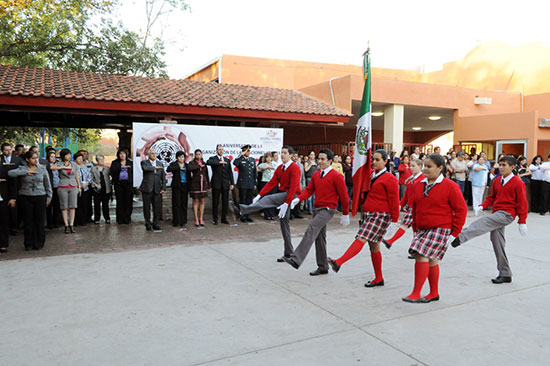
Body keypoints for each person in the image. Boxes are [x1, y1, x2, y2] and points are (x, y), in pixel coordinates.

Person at [327, 149, 399, 288]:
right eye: (373, 159)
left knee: (361, 237)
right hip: (368, 213)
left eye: (377, 160)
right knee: (373, 246)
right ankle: (379, 278)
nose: (374, 162)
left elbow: (394, 200)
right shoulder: (371, 174)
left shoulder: (390, 178)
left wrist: (394, 221)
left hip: (380, 215)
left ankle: (339, 262)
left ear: (385, 161)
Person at [451, 156, 528, 284]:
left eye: (504, 165)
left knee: (485, 221)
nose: (501, 167)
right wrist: (482, 205)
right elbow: (492, 197)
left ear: (513, 167)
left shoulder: (518, 182)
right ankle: (505, 273)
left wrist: (522, 221)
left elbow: (522, 203)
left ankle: (460, 236)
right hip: (497, 212)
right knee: (497, 242)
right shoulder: (497, 181)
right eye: (500, 165)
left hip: (507, 214)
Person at [402, 154, 467, 303]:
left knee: (420, 254)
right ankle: (433, 293)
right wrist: (415, 227)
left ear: (440, 168)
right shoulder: (419, 185)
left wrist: (455, 232)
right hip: (422, 227)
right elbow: (415, 207)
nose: (425, 169)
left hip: (440, 227)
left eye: (429, 167)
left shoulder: (450, 186)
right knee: (431, 259)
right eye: (424, 166)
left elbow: (461, 210)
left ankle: (416, 293)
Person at [283, 149, 350, 275]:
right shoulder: (316, 175)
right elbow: (309, 190)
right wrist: (298, 199)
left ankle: (296, 258)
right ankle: (323, 266)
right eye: (319, 159)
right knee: (320, 238)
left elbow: (344, 196)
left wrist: (345, 214)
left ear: (330, 161)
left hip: (328, 210)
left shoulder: (337, 176)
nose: (320, 161)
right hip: (317, 209)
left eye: (323, 159)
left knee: (311, 229)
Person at [233, 145, 301, 261]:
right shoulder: (280, 168)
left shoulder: (294, 167)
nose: (282, 155)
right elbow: (271, 183)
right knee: (284, 224)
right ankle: (289, 253)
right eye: (281, 152)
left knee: (268, 199)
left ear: (290, 155)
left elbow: (294, 187)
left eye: (285, 153)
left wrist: (286, 203)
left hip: (292, 195)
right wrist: (259, 195)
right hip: (284, 195)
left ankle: (242, 210)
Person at [8, 151, 52, 251]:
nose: (35, 160)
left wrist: (49, 197)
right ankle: (28, 243)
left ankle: (39, 243)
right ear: (27, 159)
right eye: (33, 158)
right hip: (26, 197)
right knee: (28, 221)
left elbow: (47, 184)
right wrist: (25, 172)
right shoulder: (22, 168)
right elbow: (10, 173)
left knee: (39, 221)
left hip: (40, 196)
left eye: (36, 158)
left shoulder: (42, 169)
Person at [382, 158, 425, 251]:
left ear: (420, 167)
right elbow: (406, 194)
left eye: (414, 166)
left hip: (418, 208)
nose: (411, 168)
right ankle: (415, 249)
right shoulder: (411, 179)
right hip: (411, 207)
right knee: (415, 229)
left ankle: (391, 241)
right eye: (410, 165)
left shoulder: (423, 179)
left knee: (405, 225)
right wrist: (401, 204)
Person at [50, 149, 80, 233]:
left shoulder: (74, 164)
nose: (69, 156)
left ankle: (71, 225)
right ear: (63, 156)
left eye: (70, 154)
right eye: (67, 155)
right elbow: (51, 167)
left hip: (73, 185)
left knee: (73, 206)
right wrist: (62, 167)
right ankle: (66, 225)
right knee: (64, 206)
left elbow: (76, 175)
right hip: (62, 185)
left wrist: (79, 186)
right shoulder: (59, 163)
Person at [206, 144, 234, 225]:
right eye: (219, 149)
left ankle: (224, 218)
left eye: (222, 149)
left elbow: (230, 173)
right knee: (215, 201)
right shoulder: (213, 159)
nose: (221, 151)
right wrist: (219, 162)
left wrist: (231, 183)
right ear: (216, 150)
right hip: (216, 184)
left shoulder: (227, 160)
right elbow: (208, 162)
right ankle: (215, 219)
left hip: (225, 184)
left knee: (225, 202)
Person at [140, 149, 166, 231]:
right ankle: (147, 223)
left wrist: (163, 187)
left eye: (155, 153)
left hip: (157, 189)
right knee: (147, 207)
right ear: (148, 155)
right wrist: (154, 167)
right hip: (147, 189)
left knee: (157, 207)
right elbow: (145, 169)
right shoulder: (144, 162)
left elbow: (163, 177)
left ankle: (155, 223)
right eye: (152, 153)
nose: (154, 155)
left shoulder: (160, 163)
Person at [1, 143, 22, 236]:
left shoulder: (17, 160)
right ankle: (7, 226)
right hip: (2, 186)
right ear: (2, 150)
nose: (8, 151)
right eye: (6, 150)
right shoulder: (0, 159)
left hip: (15, 186)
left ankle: (14, 227)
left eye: (10, 149)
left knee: (14, 208)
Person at [0, 143, 18, 253]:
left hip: (3, 196)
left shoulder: (5, 166)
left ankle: (3, 244)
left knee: (3, 222)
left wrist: (13, 197)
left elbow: (12, 182)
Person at [233, 144, 257, 223]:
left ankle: (248, 215)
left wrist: (255, 183)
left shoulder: (252, 160)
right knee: (242, 200)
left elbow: (254, 173)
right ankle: (242, 215)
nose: (248, 152)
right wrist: (240, 155)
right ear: (243, 152)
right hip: (243, 183)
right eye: (247, 151)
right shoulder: (240, 159)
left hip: (250, 183)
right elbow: (235, 163)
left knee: (249, 201)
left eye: (249, 151)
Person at [110, 149, 134, 224]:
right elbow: (112, 171)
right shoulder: (115, 162)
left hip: (128, 184)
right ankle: (120, 218)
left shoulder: (130, 162)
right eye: (120, 154)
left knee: (128, 201)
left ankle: (127, 218)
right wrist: (122, 167)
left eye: (124, 154)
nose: (122, 155)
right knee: (120, 201)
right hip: (119, 184)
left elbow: (134, 172)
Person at [167, 151, 190, 227]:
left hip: (185, 185)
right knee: (176, 203)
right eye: (179, 157)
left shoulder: (187, 165)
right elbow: (168, 169)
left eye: (182, 157)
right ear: (177, 157)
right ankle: (176, 221)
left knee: (184, 203)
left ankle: (183, 220)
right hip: (177, 186)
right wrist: (178, 168)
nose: (181, 158)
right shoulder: (174, 164)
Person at [188, 149, 209, 227]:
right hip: (195, 184)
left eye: (199, 154)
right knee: (195, 201)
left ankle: (201, 218)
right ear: (194, 155)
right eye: (197, 154)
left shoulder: (204, 163)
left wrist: (208, 184)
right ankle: (196, 219)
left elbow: (206, 174)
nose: (198, 156)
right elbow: (189, 168)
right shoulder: (192, 163)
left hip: (203, 184)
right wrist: (198, 166)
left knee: (202, 201)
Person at [91, 154, 111, 224]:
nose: (102, 161)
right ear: (96, 161)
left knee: (106, 205)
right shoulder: (93, 169)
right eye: (100, 159)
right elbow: (91, 179)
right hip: (97, 190)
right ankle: (97, 219)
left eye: (103, 159)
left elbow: (112, 176)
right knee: (97, 205)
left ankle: (107, 218)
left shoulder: (107, 168)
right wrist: (95, 185)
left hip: (106, 189)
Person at [257, 152, 277, 220]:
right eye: (267, 157)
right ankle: (267, 214)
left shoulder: (274, 164)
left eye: (270, 157)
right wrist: (267, 167)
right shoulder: (263, 164)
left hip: (273, 183)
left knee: (273, 199)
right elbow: (257, 169)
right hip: (265, 183)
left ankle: (272, 214)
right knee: (266, 198)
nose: (268, 158)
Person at [74, 152, 92, 227]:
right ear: (75, 159)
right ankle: (76, 221)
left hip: (85, 188)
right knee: (77, 205)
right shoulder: (73, 167)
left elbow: (89, 176)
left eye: (81, 158)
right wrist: (79, 185)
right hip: (76, 188)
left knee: (84, 204)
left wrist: (87, 183)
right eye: (79, 158)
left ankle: (84, 220)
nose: (80, 160)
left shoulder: (84, 167)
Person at [45, 150, 61, 229]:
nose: (53, 158)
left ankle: (56, 222)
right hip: (49, 188)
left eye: (54, 157)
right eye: (51, 157)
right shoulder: (46, 166)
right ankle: (49, 223)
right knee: (49, 206)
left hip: (57, 187)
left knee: (57, 205)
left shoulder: (58, 165)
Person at [290, 152, 305, 219]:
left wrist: (303, 185)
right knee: (291, 199)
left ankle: (298, 213)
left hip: (299, 185)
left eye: (296, 156)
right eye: (294, 156)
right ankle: (291, 214)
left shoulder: (301, 165)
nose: (295, 157)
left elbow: (303, 176)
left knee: (298, 199)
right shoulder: (290, 165)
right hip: (292, 185)